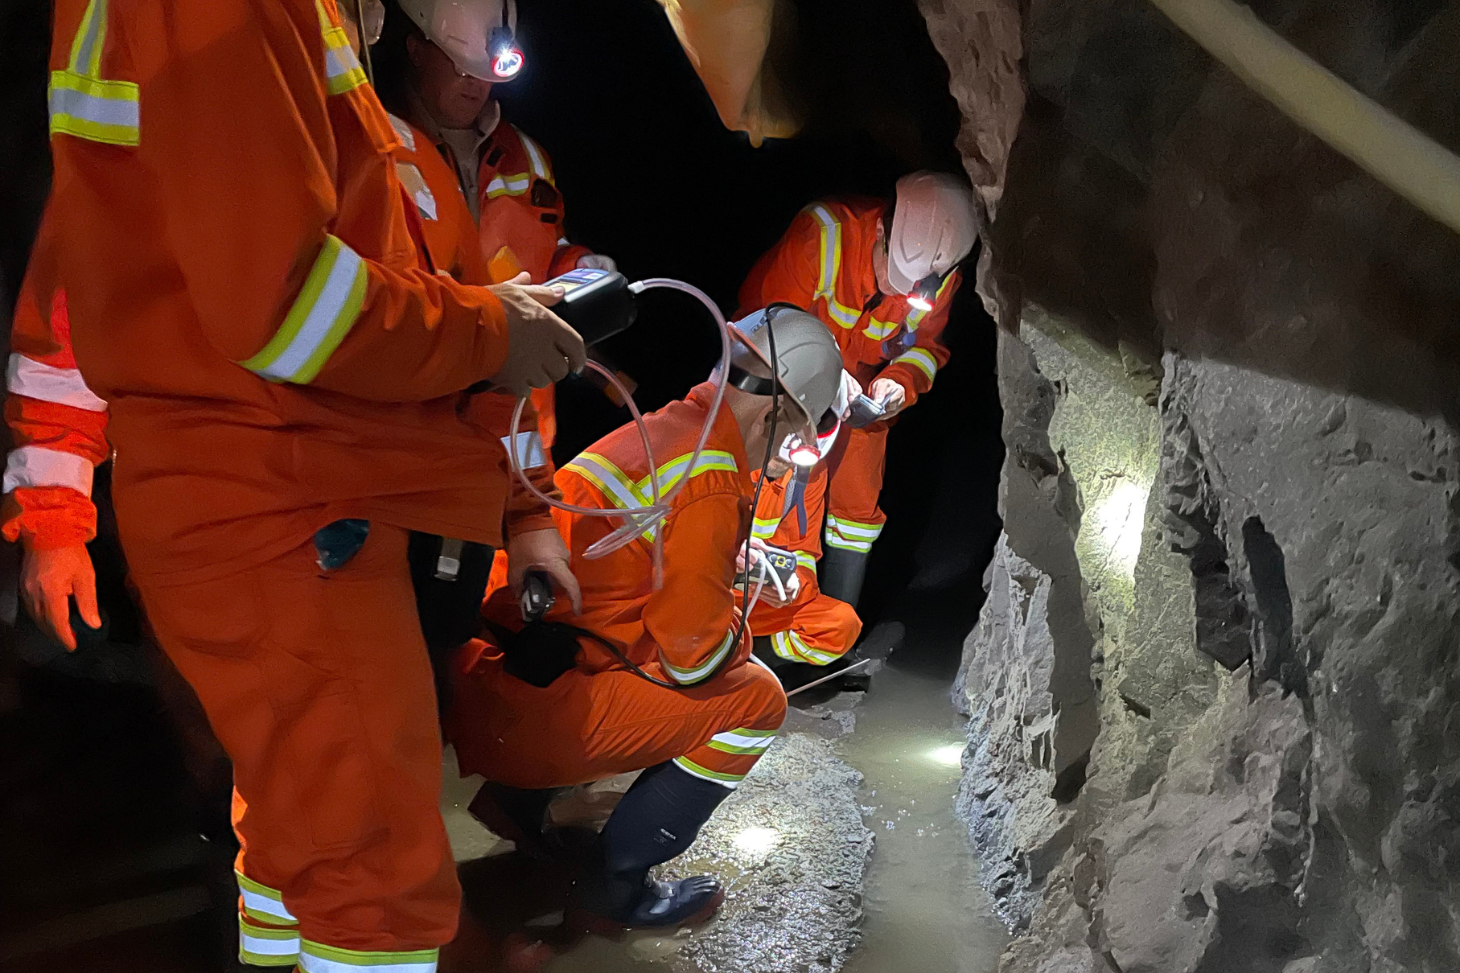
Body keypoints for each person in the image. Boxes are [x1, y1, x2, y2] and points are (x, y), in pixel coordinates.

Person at [37, 1, 585, 971]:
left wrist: (524, 503)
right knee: (378, 885)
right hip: (282, 501)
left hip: (334, 504)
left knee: (308, 837)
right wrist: (52, 514)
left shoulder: (440, 146)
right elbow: (284, 302)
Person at [447, 306, 844, 930]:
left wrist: (721, 560)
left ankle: (515, 805)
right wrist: (736, 609)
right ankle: (618, 886)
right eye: (792, 429)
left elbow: (621, 563)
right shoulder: (711, 476)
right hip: (531, 713)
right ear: (772, 413)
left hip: (489, 678)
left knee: (633, 646)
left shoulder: (664, 429)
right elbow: (695, 658)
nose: (787, 449)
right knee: (756, 700)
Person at [739, 171, 979, 609]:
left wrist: (895, 385)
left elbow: (926, 349)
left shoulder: (939, 278)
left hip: (861, 390)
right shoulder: (824, 236)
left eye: (910, 288)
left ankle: (828, 630)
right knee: (782, 487)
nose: (895, 291)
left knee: (858, 505)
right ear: (882, 231)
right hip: (779, 380)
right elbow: (769, 329)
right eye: (892, 275)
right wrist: (825, 376)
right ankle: (763, 620)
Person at [388, 0, 616, 454]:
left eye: (487, 71)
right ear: (416, 49)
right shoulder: (380, 147)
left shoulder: (527, 158)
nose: (478, 84)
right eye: (461, 67)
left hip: (522, 433)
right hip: (420, 429)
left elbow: (549, 250)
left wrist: (578, 264)